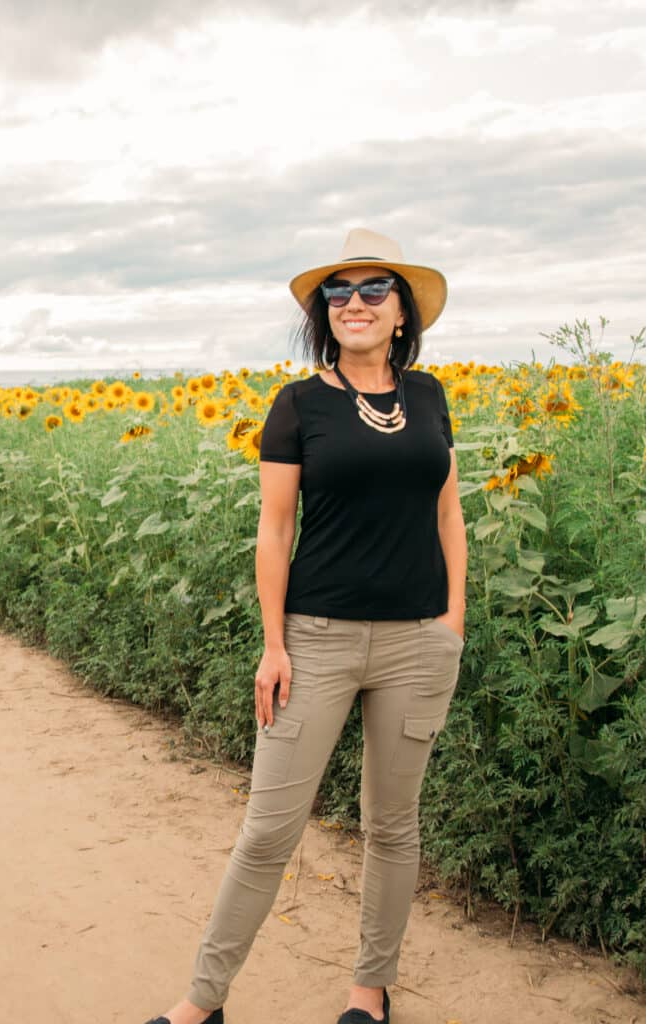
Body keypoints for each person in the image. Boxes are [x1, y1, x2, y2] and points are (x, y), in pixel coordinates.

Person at [142, 228, 467, 1024]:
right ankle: (201, 1002)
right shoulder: (298, 405)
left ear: (402, 312)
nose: (354, 303)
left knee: (392, 827)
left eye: (373, 289)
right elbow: (273, 530)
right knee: (268, 831)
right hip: (316, 639)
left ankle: (368, 992)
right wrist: (274, 643)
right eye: (338, 292)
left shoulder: (428, 397)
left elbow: (448, 510)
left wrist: (453, 620)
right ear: (325, 314)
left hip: (417, 641)